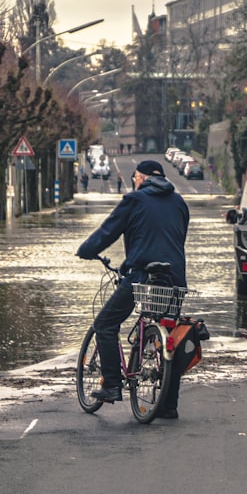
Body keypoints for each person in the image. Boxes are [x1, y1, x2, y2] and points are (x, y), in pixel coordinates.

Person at [77, 159, 190, 418]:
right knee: (169, 338)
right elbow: (176, 237)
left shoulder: (135, 199)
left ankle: (112, 385)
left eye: (135, 177)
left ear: (141, 177)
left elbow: (108, 231)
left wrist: (86, 251)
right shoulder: (180, 202)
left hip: (141, 276)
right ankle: (168, 406)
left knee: (105, 324)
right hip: (174, 280)